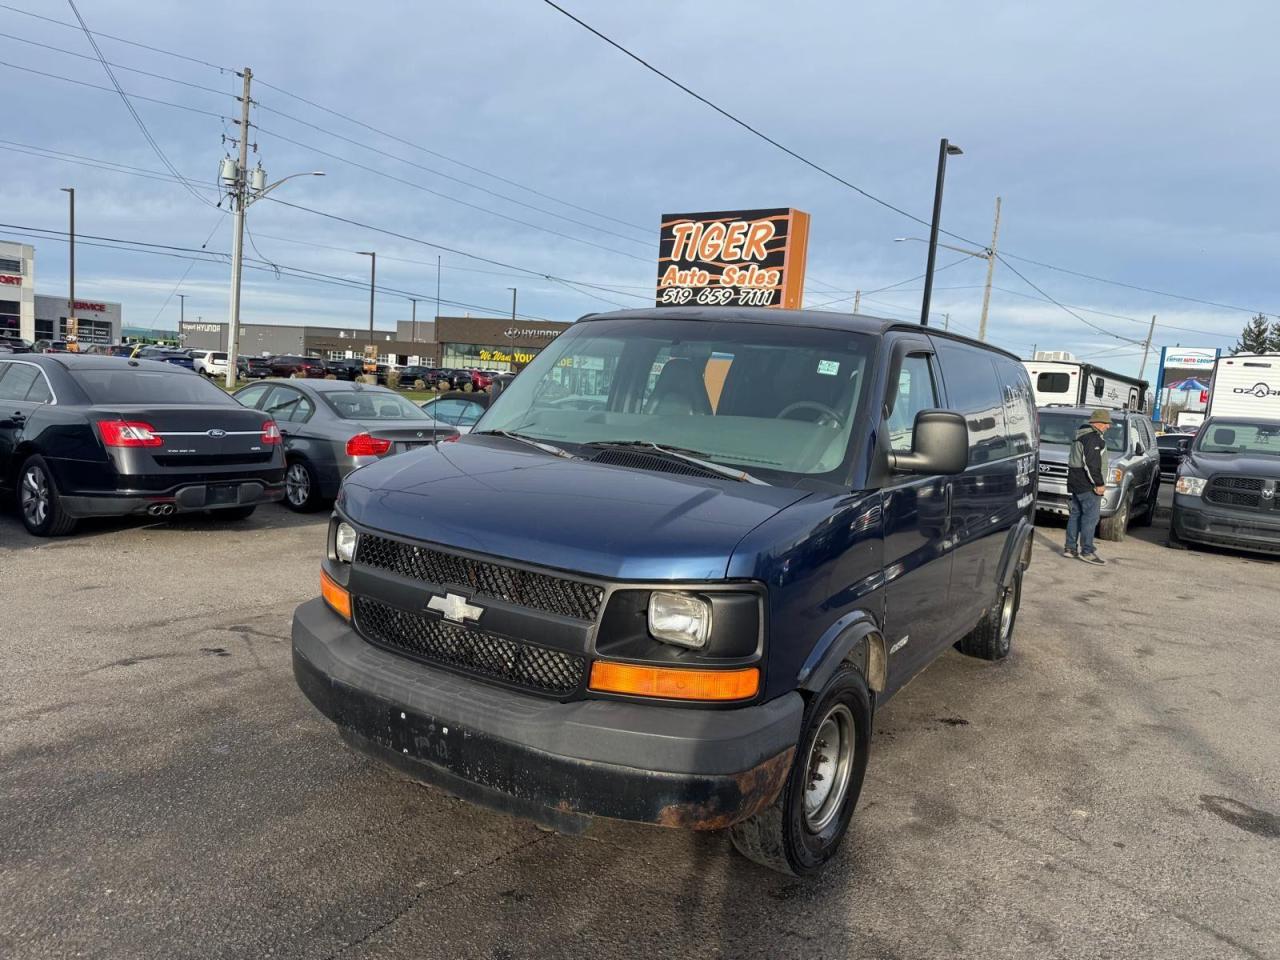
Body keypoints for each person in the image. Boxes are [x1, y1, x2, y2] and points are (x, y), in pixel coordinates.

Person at [1064, 408, 1111, 565]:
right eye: (1106, 423)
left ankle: (1070, 548)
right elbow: (1091, 464)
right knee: (1091, 518)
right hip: (1087, 484)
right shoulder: (1092, 438)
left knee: (1075, 515)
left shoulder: (1081, 435)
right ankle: (1087, 551)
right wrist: (1099, 484)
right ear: (1097, 423)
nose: (1108, 426)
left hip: (1075, 482)